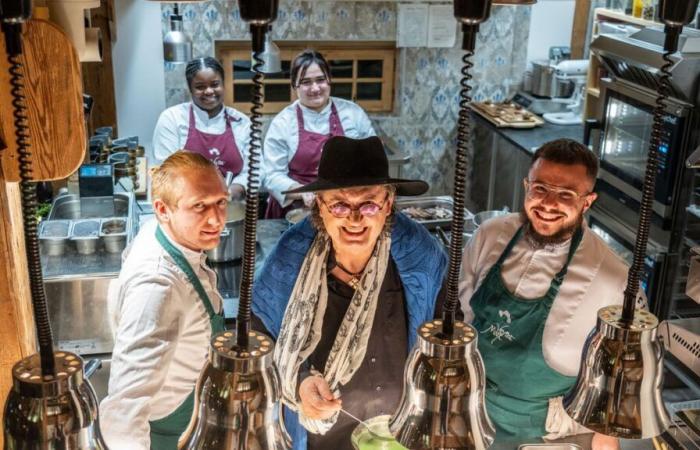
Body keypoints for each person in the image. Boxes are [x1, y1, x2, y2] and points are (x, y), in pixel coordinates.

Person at [252, 136, 448, 449]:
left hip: (400, 434)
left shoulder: (419, 254)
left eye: (368, 204)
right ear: (320, 206)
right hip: (320, 437)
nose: (355, 219)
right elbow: (258, 334)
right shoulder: (291, 257)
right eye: (340, 205)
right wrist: (300, 380)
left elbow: (446, 330)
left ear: (388, 206)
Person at [459, 139, 645, 449]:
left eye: (565, 195)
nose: (547, 204)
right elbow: (460, 316)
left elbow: (624, 379)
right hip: (468, 411)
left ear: (587, 202)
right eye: (540, 188)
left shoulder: (614, 278)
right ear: (525, 186)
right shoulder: (489, 235)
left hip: (544, 435)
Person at [100, 151, 229, 450]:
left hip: (194, 412)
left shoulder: (159, 233)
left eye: (221, 201)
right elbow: (123, 409)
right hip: (171, 435)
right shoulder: (157, 286)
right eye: (199, 206)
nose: (216, 218)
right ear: (162, 209)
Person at [263, 49, 376, 218]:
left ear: (329, 80)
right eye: (306, 82)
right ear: (294, 86)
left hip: (345, 208)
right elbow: (271, 176)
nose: (315, 88)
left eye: (320, 80)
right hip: (295, 211)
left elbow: (372, 162)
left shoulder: (353, 114)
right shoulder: (283, 123)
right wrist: (303, 192)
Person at [152, 57, 251, 199]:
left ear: (224, 84)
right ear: (190, 89)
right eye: (200, 87)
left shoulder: (241, 122)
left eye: (215, 84)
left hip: (233, 210)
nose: (209, 91)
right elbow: (166, 171)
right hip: (187, 208)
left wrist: (236, 188)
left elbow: (254, 170)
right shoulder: (172, 119)